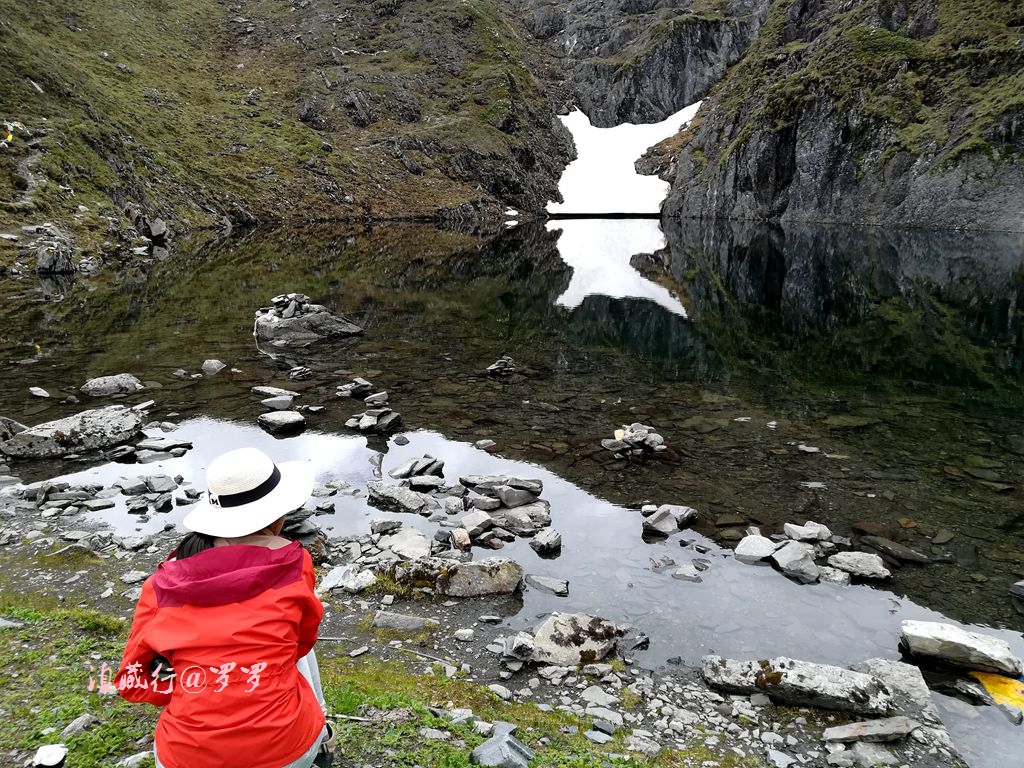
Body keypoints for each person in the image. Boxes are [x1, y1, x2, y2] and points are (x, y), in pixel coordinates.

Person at [115, 447, 335, 768]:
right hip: (285, 751)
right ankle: (323, 733)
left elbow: (130, 681)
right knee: (294, 651)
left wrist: (195, 688)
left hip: (185, 757)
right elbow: (302, 642)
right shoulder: (295, 563)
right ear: (277, 516)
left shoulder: (161, 584)